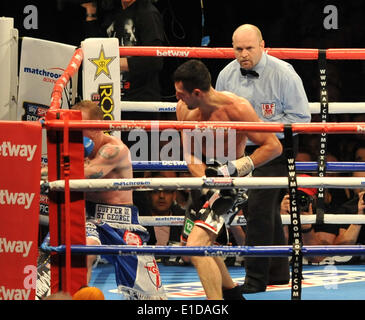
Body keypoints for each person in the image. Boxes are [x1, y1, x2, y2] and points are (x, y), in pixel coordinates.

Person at [174, 59, 282, 300]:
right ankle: (234, 297)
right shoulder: (184, 109)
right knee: (201, 244)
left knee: (196, 246)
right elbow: (190, 152)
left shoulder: (237, 108)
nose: (178, 99)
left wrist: (233, 169)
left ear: (198, 92)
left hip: (234, 182)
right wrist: (204, 178)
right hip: (205, 179)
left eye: (182, 94)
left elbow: (273, 146)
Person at [215, 24, 311, 293]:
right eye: (238, 49)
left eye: (249, 48)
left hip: (277, 150)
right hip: (241, 150)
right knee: (264, 210)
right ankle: (278, 272)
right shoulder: (226, 76)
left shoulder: (283, 74)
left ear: (262, 45)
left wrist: (263, 132)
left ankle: (256, 280)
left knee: (258, 207)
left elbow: (302, 119)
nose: (244, 54)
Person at [72, 100, 166, 300]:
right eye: (74, 126)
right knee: (85, 250)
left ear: (98, 127)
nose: (78, 132)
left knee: (149, 298)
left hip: (121, 220)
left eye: (84, 127)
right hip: (89, 216)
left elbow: (90, 173)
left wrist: (45, 171)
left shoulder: (114, 149)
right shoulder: (72, 146)